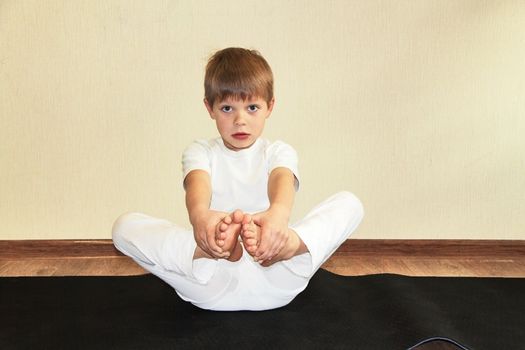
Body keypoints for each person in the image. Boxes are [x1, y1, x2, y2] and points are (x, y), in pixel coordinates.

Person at [112, 47, 364, 311]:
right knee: (123, 226)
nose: (240, 120)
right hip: (212, 279)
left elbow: (282, 179)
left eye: (252, 107)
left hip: (276, 271)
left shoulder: (277, 151)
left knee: (350, 203)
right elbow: (197, 185)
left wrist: (277, 217)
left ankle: (291, 245)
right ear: (209, 108)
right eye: (227, 108)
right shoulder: (200, 151)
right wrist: (202, 220)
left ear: (270, 107)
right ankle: (210, 249)